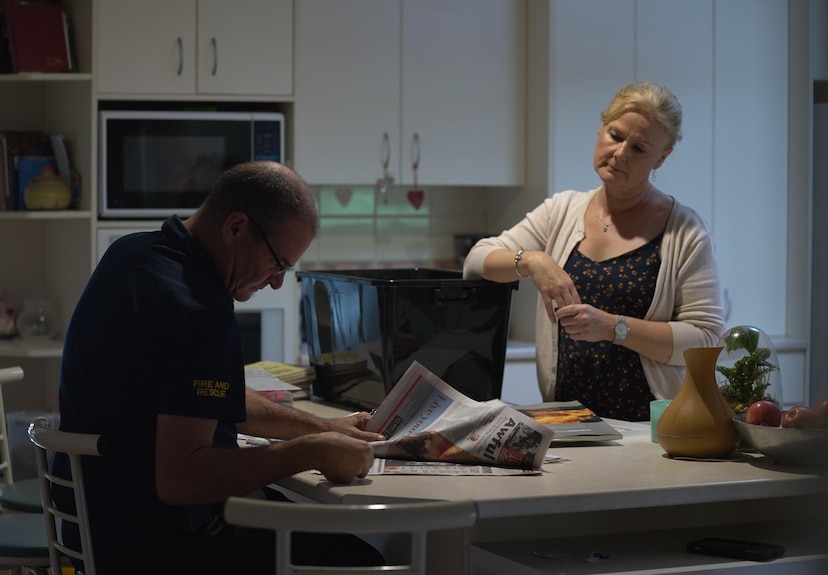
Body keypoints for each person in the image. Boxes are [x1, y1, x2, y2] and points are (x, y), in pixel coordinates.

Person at [54, 161, 387, 574]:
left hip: (90, 523)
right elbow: (180, 480)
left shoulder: (133, 253)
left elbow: (196, 395)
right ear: (235, 227)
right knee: (365, 562)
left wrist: (323, 429)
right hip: (152, 544)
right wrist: (308, 453)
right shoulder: (198, 311)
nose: (277, 281)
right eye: (278, 262)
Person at [463, 82, 725, 421]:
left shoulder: (686, 232)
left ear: (661, 157)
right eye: (615, 136)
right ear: (601, 128)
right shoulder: (561, 210)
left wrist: (615, 327)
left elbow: (705, 338)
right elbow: (476, 261)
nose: (620, 154)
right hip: (569, 424)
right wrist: (531, 260)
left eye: (640, 148)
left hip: (649, 429)